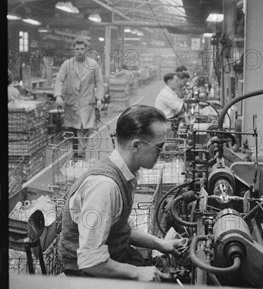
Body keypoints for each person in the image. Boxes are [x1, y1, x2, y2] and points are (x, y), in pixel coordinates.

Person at [59, 105, 186, 280]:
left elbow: (119, 229)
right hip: (88, 277)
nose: (162, 153)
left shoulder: (126, 173)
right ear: (136, 145)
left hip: (112, 258)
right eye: (159, 146)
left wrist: (161, 244)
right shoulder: (104, 187)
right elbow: (90, 261)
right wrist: (137, 272)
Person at [54, 36, 104, 158]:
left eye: (82, 49)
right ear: (73, 50)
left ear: (86, 49)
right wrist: (58, 96)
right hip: (72, 104)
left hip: (87, 103)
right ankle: (76, 153)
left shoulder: (93, 65)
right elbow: (59, 80)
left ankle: (80, 154)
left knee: (84, 129)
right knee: (73, 130)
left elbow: (99, 83)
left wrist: (99, 98)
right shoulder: (67, 64)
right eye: (77, 49)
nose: (80, 51)